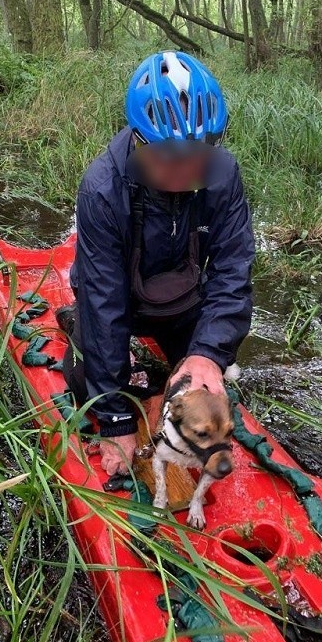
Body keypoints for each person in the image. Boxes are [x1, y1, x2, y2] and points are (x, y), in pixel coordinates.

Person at [61, 51, 255, 477]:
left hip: (179, 301)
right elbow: (103, 299)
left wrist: (207, 353)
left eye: (199, 153)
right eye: (169, 155)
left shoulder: (221, 175)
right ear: (139, 141)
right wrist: (115, 420)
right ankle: (75, 328)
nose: (185, 169)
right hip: (120, 303)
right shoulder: (102, 188)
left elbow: (233, 272)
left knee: (215, 379)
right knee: (81, 380)